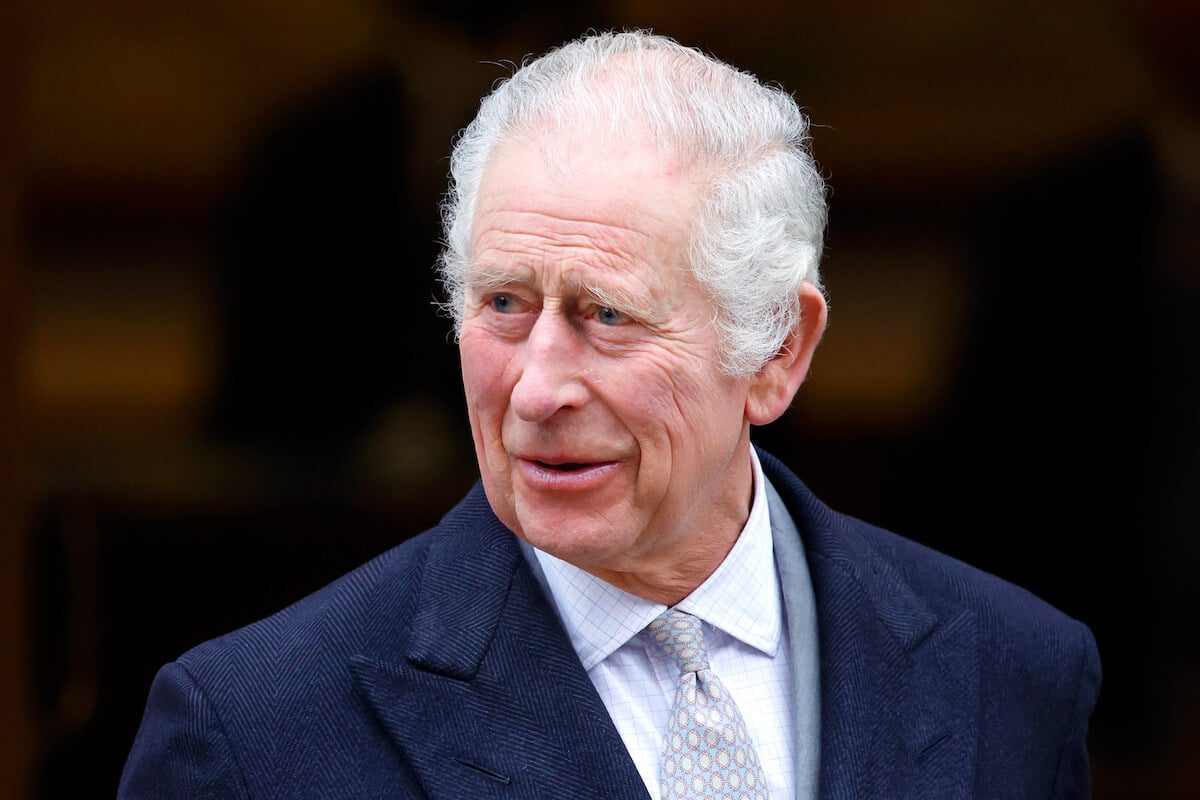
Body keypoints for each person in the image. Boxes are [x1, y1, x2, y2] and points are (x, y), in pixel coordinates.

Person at [119, 30, 1100, 799]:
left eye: (606, 314)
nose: (537, 389)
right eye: (504, 303)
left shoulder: (1011, 670)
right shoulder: (258, 729)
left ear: (776, 351)